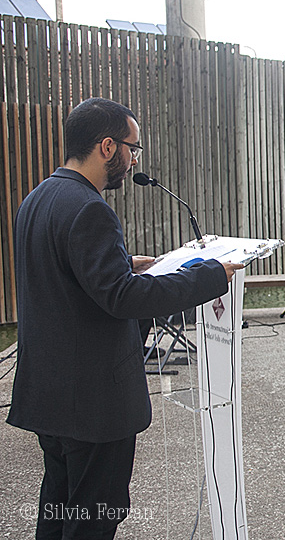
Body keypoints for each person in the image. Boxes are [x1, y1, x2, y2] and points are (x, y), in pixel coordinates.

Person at [7, 98, 244, 540]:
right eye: (133, 148)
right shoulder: (89, 208)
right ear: (107, 146)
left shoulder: (39, 198)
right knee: (95, 515)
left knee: (59, 506)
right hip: (92, 403)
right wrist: (209, 276)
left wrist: (124, 264)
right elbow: (122, 300)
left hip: (49, 393)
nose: (135, 158)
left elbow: (63, 278)